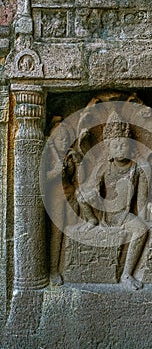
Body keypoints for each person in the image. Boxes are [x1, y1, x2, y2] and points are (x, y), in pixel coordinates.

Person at [75, 110, 149, 290]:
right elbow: (91, 187)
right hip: (104, 211)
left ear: (131, 147)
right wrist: (92, 194)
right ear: (108, 147)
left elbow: (141, 201)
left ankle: (127, 273)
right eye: (115, 146)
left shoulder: (137, 169)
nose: (120, 149)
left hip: (123, 215)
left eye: (124, 145)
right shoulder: (104, 167)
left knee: (141, 229)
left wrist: (147, 215)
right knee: (80, 195)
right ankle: (91, 220)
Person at [46, 117, 77, 286]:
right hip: (56, 199)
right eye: (60, 139)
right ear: (53, 140)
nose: (64, 142)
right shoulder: (49, 156)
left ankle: (70, 265)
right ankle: (53, 269)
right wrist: (54, 172)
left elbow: (76, 178)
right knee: (57, 234)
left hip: (71, 196)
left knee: (73, 230)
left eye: (66, 138)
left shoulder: (68, 155)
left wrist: (73, 165)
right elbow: (40, 179)